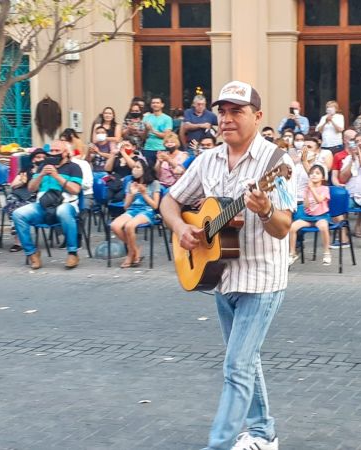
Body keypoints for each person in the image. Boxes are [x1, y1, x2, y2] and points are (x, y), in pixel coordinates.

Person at [160, 80, 296, 450]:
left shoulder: (278, 163)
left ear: (258, 116)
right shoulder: (207, 160)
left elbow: (283, 227)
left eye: (237, 111)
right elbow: (169, 202)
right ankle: (263, 433)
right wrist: (182, 229)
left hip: (262, 280)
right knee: (246, 361)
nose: (227, 119)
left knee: (236, 366)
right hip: (220, 274)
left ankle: (218, 444)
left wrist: (265, 210)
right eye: (222, 111)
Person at [11, 143, 83, 270]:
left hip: (66, 204)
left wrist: (56, 176)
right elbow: (31, 189)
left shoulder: (74, 167)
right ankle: (32, 253)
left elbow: (75, 190)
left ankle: (72, 253)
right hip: (43, 206)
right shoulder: (42, 167)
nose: (53, 153)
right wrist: (41, 175)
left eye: (57, 150)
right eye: (51, 150)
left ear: (65, 153)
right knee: (18, 214)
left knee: (63, 211)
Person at [110, 159, 161, 268]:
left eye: (138, 167)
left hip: (147, 211)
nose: (134, 170)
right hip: (132, 210)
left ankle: (130, 254)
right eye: (133, 167)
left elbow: (155, 206)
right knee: (115, 225)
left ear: (144, 169)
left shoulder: (154, 184)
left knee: (129, 226)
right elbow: (126, 206)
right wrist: (132, 194)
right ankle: (135, 249)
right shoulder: (131, 183)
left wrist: (144, 194)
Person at [288, 164, 331, 266]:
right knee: (293, 227)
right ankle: (292, 253)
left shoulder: (325, 189)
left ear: (323, 177)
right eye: (311, 173)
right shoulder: (307, 189)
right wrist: (307, 192)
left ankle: (327, 252)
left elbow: (319, 200)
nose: (314, 175)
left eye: (317, 173)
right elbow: (306, 205)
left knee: (323, 226)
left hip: (321, 216)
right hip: (308, 217)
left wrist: (312, 189)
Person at [5, 149, 47, 252]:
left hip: (35, 198)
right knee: (12, 201)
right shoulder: (26, 170)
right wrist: (22, 182)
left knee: (17, 208)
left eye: (43, 157)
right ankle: (17, 237)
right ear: (33, 160)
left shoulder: (47, 171)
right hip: (20, 196)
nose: (41, 159)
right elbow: (13, 185)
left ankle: (17, 239)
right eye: (38, 157)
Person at [143, 96, 173, 164]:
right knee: (148, 169)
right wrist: (146, 129)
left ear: (162, 105)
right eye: (153, 103)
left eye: (157, 103)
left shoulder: (167, 118)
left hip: (162, 148)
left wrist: (152, 130)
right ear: (151, 105)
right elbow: (143, 137)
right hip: (148, 148)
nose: (155, 104)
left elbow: (166, 136)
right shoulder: (146, 118)